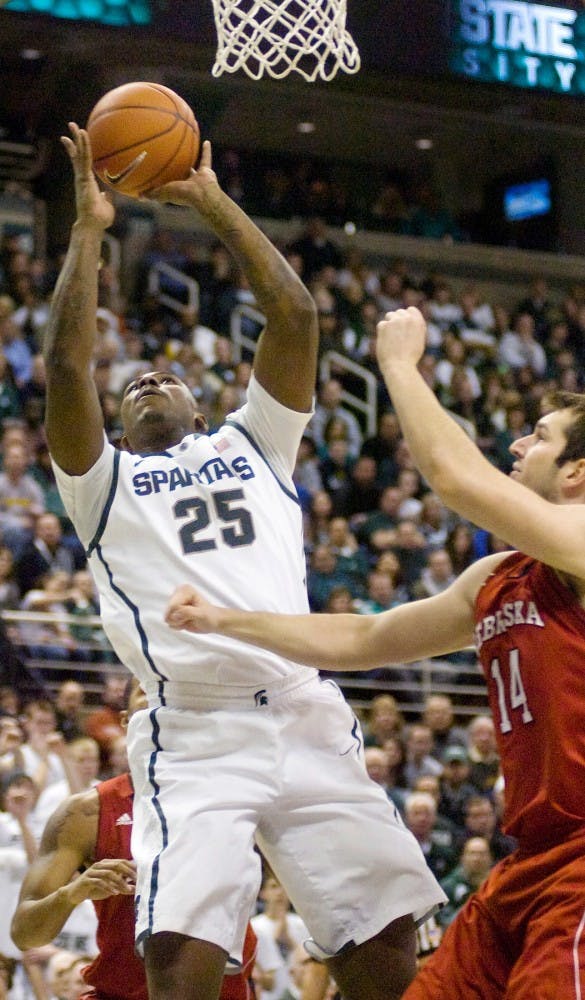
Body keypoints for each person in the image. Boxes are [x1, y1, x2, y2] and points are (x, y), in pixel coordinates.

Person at [42, 126, 444, 1000]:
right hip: (195, 731)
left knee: (382, 956)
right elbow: (66, 367)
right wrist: (87, 230)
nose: (147, 380)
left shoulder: (256, 441)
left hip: (302, 704)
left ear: (200, 398)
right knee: (178, 965)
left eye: (167, 376)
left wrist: (210, 200)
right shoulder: (102, 482)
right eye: (133, 382)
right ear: (117, 417)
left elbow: (294, 315)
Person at [165, 303, 585, 995]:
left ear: (575, 471)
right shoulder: (498, 578)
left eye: (537, 438)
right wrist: (227, 620)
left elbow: (456, 482)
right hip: (529, 863)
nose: (516, 446)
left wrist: (396, 364)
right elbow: (367, 637)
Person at [11, 680, 257, 1000]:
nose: (159, 699)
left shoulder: (242, 794)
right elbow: (25, 933)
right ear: (126, 721)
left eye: (169, 691)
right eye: (147, 688)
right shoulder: (87, 812)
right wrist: (74, 891)